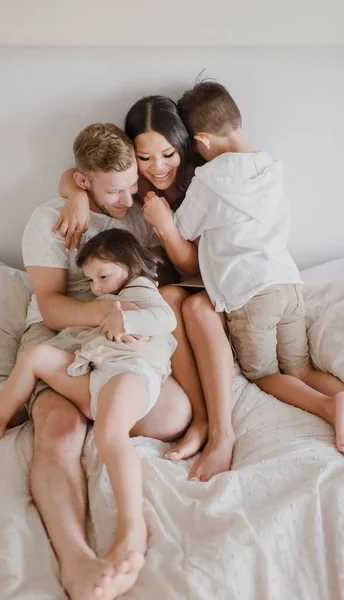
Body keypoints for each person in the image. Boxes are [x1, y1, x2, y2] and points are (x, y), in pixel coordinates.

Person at [0, 123, 191, 600]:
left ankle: (109, 411)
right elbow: (50, 306)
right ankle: (76, 561)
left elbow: (160, 288)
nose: (128, 196)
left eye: (133, 183)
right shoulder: (51, 218)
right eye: (115, 189)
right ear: (84, 180)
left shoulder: (136, 213)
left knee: (173, 413)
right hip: (60, 333)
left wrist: (128, 318)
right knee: (56, 431)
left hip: (122, 338)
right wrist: (109, 313)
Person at [0, 228, 179, 597]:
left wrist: (126, 320)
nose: (97, 287)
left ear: (130, 266)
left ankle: (132, 529)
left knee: (109, 434)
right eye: (90, 280)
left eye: (104, 276)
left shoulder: (141, 290)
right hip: (96, 374)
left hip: (132, 375)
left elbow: (166, 321)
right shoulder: (102, 290)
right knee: (36, 356)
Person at [57, 96, 236, 483]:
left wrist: (166, 225)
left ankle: (222, 432)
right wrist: (75, 196)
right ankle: (201, 423)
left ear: (183, 147)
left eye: (168, 154)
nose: (157, 167)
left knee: (191, 307)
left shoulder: (200, 181)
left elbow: (192, 266)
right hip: (162, 289)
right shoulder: (131, 188)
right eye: (144, 158)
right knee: (170, 299)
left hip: (202, 278)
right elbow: (77, 174)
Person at [173, 79, 344, 452]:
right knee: (301, 369)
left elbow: (182, 228)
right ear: (238, 121)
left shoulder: (209, 180)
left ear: (201, 142)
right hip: (288, 284)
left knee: (264, 374)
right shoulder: (271, 166)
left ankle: (329, 408)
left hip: (251, 296)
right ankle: (341, 395)